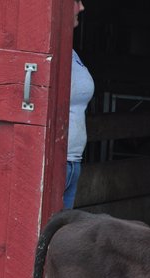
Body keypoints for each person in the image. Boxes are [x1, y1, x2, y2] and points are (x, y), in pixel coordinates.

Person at [64, 0, 94, 209]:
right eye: (76, 1)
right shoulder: (52, 54)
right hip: (55, 162)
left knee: (58, 237)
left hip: (73, 162)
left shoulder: (71, 53)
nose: (82, 7)